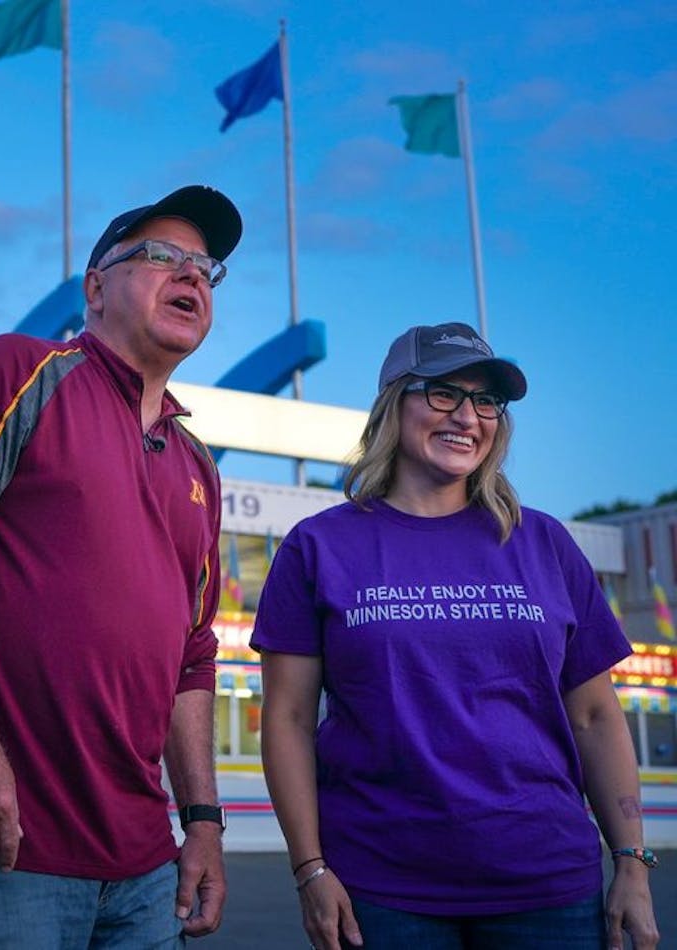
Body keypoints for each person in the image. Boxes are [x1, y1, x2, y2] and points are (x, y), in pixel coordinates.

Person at [0, 185, 238, 946]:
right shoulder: (20, 372)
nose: (192, 277)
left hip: (142, 864)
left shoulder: (199, 463)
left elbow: (192, 659)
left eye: (205, 269)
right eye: (163, 257)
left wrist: (201, 821)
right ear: (95, 287)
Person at [251, 322, 661, 950]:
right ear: (394, 404)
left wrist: (631, 862)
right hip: (382, 893)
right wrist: (311, 869)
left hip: (548, 887)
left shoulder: (545, 542)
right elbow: (287, 718)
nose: (468, 416)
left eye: (486, 400)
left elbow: (596, 716)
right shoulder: (320, 547)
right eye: (443, 393)